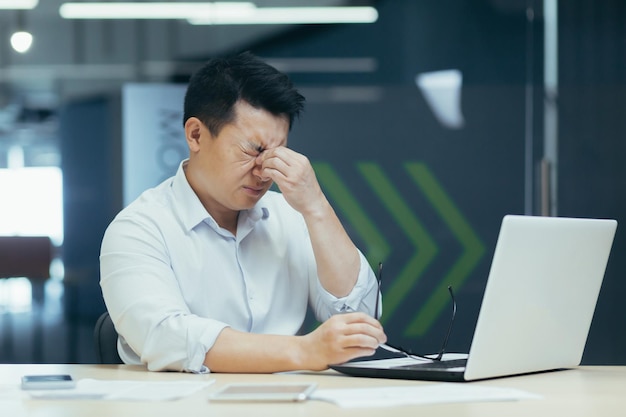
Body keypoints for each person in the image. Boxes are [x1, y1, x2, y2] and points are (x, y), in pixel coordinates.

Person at [99, 51, 386, 373]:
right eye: (253, 150)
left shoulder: (291, 216)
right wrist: (304, 351)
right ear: (195, 134)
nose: (265, 172)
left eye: (277, 153)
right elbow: (166, 337)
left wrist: (316, 206)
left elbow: (360, 319)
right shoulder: (139, 228)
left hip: (294, 401)